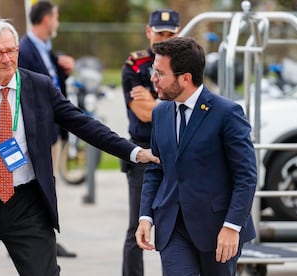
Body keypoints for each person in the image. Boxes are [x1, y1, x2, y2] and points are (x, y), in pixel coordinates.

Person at [0, 17, 159, 276]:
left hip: (28, 205)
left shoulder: (40, 87)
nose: (6, 59)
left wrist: (134, 152)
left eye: (11, 50)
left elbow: (83, 124)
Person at [135, 37, 257, 276]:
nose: (153, 79)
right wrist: (146, 216)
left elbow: (246, 176)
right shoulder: (160, 112)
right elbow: (156, 169)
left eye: (160, 73)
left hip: (218, 229)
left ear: (185, 78)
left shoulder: (227, 113)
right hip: (172, 227)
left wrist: (232, 226)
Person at [120, 9, 179, 276]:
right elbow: (142, 113)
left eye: (170, 34)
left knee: (181, 224)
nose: (163, 39)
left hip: (178, 152)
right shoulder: (135, 65)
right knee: (138, 227)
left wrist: (155, 103)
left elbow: (187, 109)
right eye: (159, 33)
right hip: (144, 152)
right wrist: (170, 105)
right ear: (148, 32)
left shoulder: (185, 64)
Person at [18, 0, 76, 258]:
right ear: (45, 19)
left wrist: (63, 67)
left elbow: (51, 85)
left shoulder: (44, 48)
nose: (58, 22)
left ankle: (43, 238)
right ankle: (39, 241)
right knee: (39, 187)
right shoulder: (24, 49)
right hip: (38, 133)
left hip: (52, 129)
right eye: (56, 17)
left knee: (48, 187)